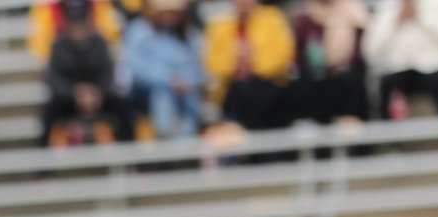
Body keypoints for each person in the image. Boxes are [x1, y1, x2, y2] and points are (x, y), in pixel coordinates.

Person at [42, 0, 132, 144]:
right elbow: (53, 78)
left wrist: (96, 92)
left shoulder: (100, 43)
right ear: (67, 24)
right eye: (74, 23)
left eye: (82, 22)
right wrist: (76, 92)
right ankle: (43, 163)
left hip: (99, 97)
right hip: (69, 99)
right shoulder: (58, 46)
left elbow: (108, 74)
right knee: (49, 110)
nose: (79, 27)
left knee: (122, 105)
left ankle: (131, 157)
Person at [121, 0, 207, 141]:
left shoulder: (190, 34)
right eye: (165, 12)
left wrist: (186, 82)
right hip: (147, 93)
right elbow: (136, 69)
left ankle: (184, 147)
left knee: (191, 98)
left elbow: (199, 69)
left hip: (184, 91)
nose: (169, 17)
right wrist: (169, 80)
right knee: (163, 94)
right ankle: (169, 141)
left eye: (174, 12)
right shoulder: (139, 31)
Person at [206, 0, 298, 130]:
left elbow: (284, 55)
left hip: (268, 91)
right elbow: (213, 63)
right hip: (233, 93)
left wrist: (253, 62)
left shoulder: (272, 18)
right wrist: (235, 61)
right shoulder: (220, 24)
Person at [293, 0, 372, 126]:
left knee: (348, 81)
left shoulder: (353, 12)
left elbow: (361, 51)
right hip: (316, 76)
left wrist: (339, 63)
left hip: (347, 73)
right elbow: (299, 55)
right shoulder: (305, 18)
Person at [365, 0, 438, 117]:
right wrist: (397, 22)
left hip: (434, 67)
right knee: (387, 84)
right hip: (399, 68)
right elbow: (371, 49)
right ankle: (387, 131)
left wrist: (420, 18)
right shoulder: (387, 9)